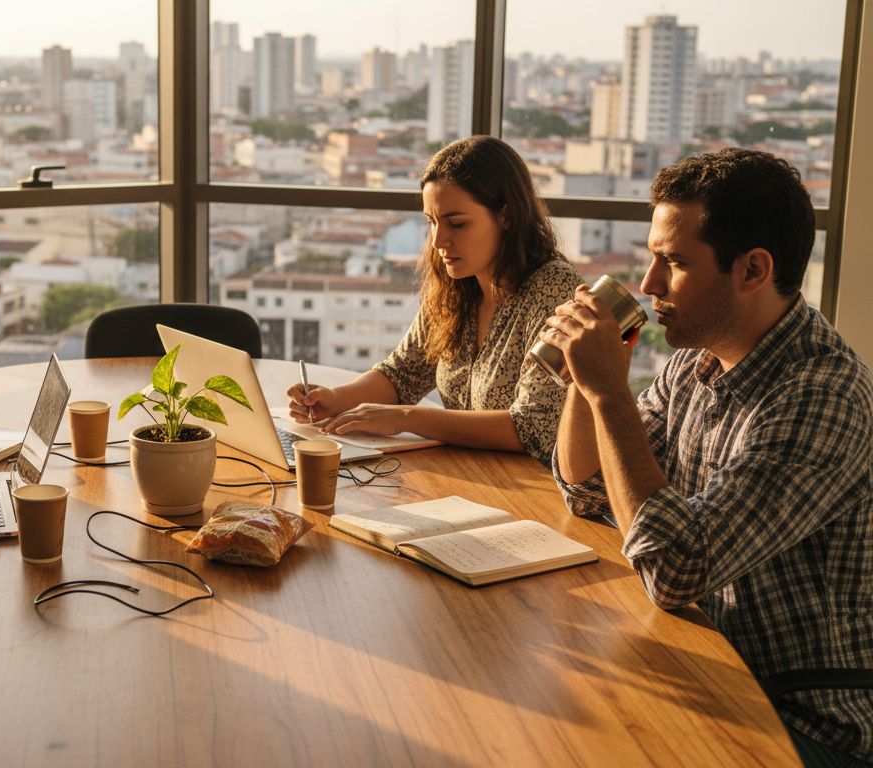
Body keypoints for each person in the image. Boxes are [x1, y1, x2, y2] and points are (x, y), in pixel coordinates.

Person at [543, 148, 872, 767]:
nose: (648, 285)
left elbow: (673, 569)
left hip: (799, 722)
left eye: (673, 262)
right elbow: (588, 488)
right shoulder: (692, 366)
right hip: (702, 664)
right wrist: (581, 385)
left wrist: (610, 392)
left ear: (752, 270)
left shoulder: (822, 396)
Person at [288, 135, 583, 462]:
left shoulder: (555, 289)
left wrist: (406, 418)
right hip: (467, 475)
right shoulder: (456, 285)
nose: (439, 240)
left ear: (507, 216)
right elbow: (402, 373)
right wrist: (334, 399)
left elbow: (534, 427)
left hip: (531, 490)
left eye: (457, 223)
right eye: (432, 222)